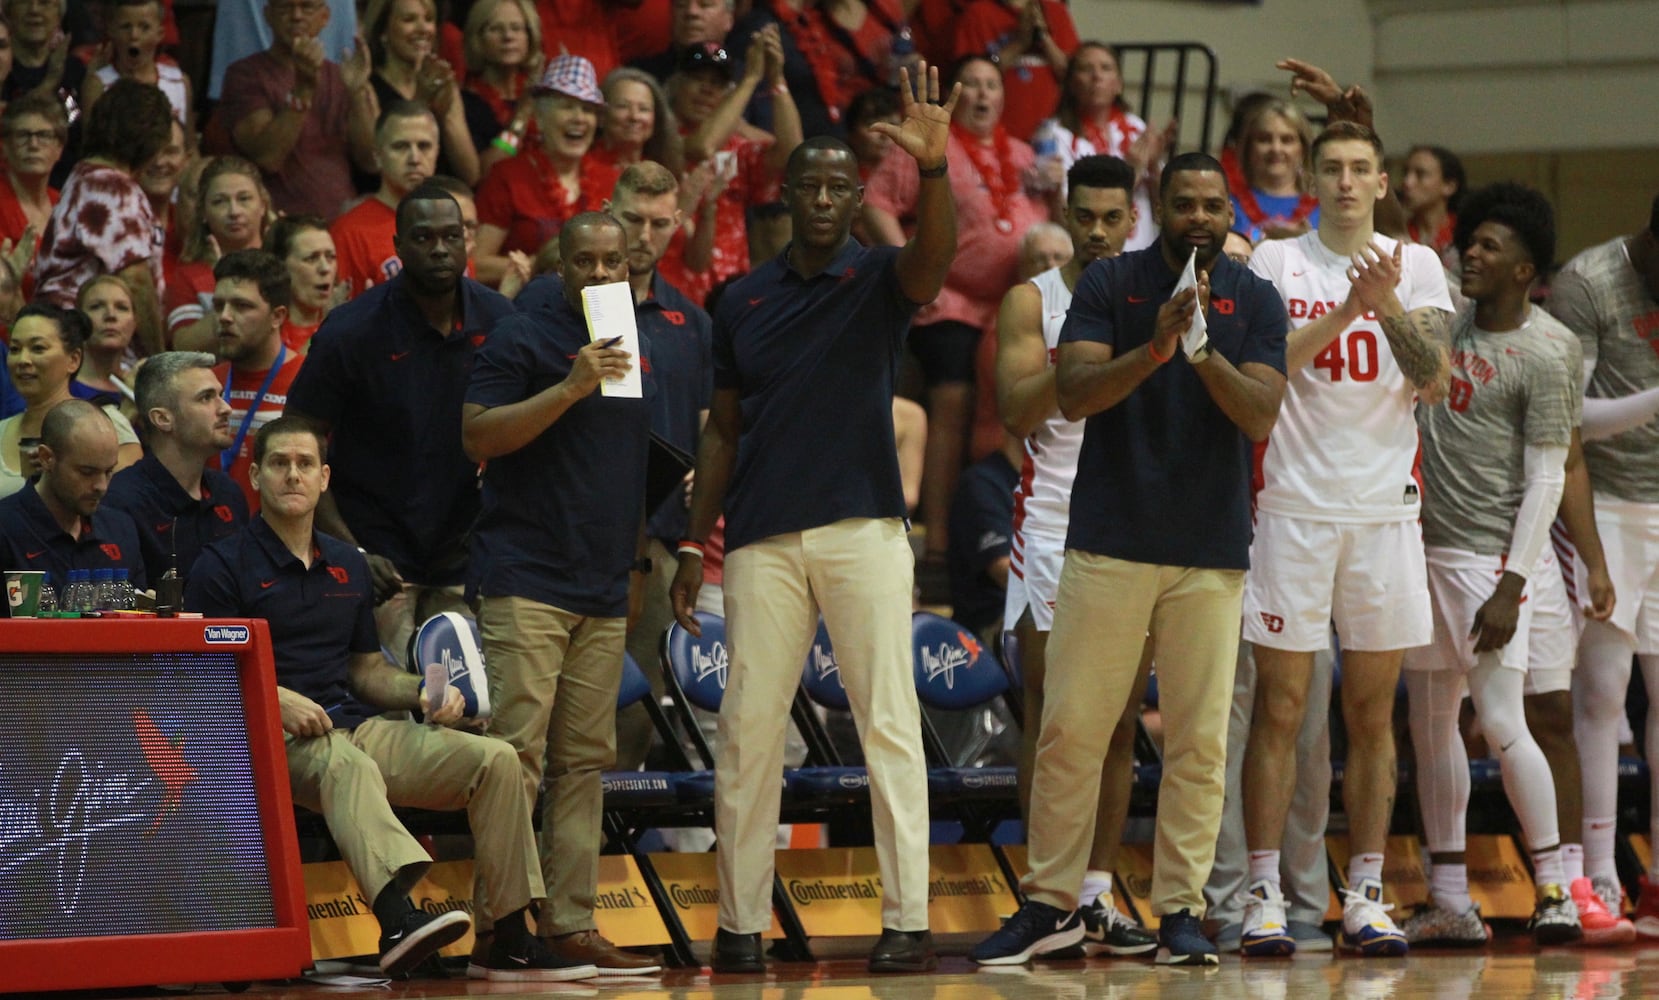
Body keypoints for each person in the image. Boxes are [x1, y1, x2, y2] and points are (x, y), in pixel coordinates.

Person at [669, 62, 960, 975]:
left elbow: (935, 261)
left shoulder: (878, 278)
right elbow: (721, 431)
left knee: (886, 722)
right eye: (813, 185)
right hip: (757, 537)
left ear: (853, 195)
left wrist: (937, 171)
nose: (828, 196)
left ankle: (907, 920)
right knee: (749, 732)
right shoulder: (741, 299)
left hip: (864, 528)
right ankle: (740, 926)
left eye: (842, 184)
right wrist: (690, 541)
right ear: (788, 195)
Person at [970, 151, 1286, 968]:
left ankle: (1179, 910)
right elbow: (1070, 394)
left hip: (1208, 554)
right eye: (1183, 203)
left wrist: (1199, 353)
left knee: (1196, 741)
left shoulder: (1252, 298)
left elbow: (1259, 418)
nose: (1199, 218)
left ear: (1227, 213)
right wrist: (1150, 350)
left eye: (1213, 205)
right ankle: (1051, 903)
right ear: (1160, 205)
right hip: (1107, 543)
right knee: (1071, 731)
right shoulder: (1109, 289)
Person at [184, 415, 599, 983]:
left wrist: (425, 690)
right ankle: (398, 919)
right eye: (279, 463)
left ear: (325, 478)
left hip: (350, 727)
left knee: (496, 759)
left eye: (306, 464)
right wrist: (276, 698)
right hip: (263, 740)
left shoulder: (348, 563)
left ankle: (507, 937)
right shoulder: (222, 564)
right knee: (345, 763)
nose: (293, 475)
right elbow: (205, 677)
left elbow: (366, 671)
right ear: (254, 475)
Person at [1234, 121, 1452, 957]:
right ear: (1312, 181)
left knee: (1370, 717)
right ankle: (1263, 894)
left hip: (1385, 514)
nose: (1347, 181)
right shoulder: (1273, 261)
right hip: (1291, 509)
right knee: (1280, 710)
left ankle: (1362, 893)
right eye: (1332, 168)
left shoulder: (1419, 264)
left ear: (1383, 182)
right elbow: (1264, 369)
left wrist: (1386, 300)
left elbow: (1431, 377)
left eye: (1362, 168)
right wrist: (1344, 311)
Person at [460, 211, 663, 976]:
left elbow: (631, 462)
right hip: (526, 576)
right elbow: (477, 435)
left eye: (613, 261)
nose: (603, 274)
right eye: (586, 262)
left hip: (602, 580)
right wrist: (571, 386)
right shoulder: (521, 333)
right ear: (561, 266)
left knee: (584, 761)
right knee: (518, 758)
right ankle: (499, 930)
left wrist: (636, 566)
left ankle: (571, 924)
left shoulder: (631, 339)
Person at [1401, 181, 1582, 948]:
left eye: (1486, 247)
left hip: (1488, 564)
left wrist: (1512, 584)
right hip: (1417, 551)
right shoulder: (1447, 317)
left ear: (1524, 269)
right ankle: (1450, 899)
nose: (1467, 254)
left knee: (1503, 723)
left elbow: (1548, 475)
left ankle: (1554, 890)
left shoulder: (1548, 347)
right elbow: (1398, 249)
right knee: (1431, 725)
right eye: (1465, 243)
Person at [991, 152, 1157, 958]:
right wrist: (1086, 366)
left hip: (1135, 520)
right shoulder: (1034, 299)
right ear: (1064, 213)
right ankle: (1041, 893)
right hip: (1054, 521)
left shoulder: (1157, 294)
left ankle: (1092, 892)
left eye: (1110, 218)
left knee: (1121, 722)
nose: (1095, 232)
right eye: (1082, 217)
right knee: (1056, 718)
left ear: (1133, 220)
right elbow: (1013, 412)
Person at [513, 161, 711, 773]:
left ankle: (611, 862)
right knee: (536, 718)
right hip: (556, 536)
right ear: (605, 214)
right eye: (631, 219)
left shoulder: (692, 322)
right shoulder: (546, 303)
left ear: (677, 225)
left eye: (658, 223)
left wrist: (701, 481)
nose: (645, 235)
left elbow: (708, 428)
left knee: (633, 717)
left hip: (654, 541)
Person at [285, 184, 516, 664]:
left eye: (451, 236)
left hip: (468, 557)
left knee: (471, 709)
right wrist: (350, 552)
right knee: (390, 709)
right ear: (397, 246)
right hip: (378, 554)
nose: (438, 248)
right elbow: (298, 442)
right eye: (423, 237)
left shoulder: (500, 320)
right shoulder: (352, 329)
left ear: (467, 242)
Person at [863, 53, 1048, 593]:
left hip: (1012, 302)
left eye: (994, 85)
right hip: (947, 303)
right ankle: (940, 544)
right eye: (974, 87)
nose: (985, 95)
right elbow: (876, 202)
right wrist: (912, 271)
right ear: (956, 98)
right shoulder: (928, 147)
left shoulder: (1022, 154)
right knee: (953, 395)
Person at [1554, 193, 1659, 935]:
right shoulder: (1588, 282)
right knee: (1602, 695)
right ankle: (1599, 877)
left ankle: (1656, 880)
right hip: (1605, 505)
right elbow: (1568, 414)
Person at [33, 80, 169, 358]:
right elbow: (136, 281)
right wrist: (159, 359)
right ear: (150, 140)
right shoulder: (111, 187)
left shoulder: (83, 176)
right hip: (85, 350)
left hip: (66, 342)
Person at [218, 0, 375, 219]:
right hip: (280, 224)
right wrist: (303, 90)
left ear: (325, 17)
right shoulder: (245, 75)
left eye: (307, 7)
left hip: (340, 221)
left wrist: (357, 94)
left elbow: (371, 160)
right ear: (268, 15)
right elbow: (268, 157)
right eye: (285, 7)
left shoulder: (342, 75)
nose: (296, 16)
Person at [103, 352, 247, 584]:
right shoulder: (121, 502)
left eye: (220, 395)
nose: (226, 408)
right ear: (162, 419)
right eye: (206, 398)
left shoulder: (228, 493)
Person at [473, 54, 617, 286]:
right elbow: (476, 264)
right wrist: (541, 266)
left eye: (588, 109)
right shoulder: (508, 177)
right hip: (528, 310)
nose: (579, 118)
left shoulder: (611, 180)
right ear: (539, 118)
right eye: (567, 107)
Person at [1029, 41, 1168, 252]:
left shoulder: (1136, 127)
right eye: (1086, 69)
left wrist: (1155, 166)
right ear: (1071, 83)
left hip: (1141, 256)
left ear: (1119, 83)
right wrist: (1132, 173)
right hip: (1087, 255)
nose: (1097, 76)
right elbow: (1067, 215)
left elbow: (1162, 211)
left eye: (1106, 68)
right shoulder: (1053, 135)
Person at [0, 398, 146, 587]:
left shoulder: (121, 529)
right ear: (46, 458)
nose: (101, 486)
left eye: (109, 471)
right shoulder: (5, 529)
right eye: (87, 472)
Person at [1, 305, 142, 499]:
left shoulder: (106, 423)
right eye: (15, 349)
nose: (22, 360)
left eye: (38, 348)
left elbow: (127, 502)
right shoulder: (1, 429)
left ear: (74, 360)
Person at [209, 250, 307, 511]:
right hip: (213, 542)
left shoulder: (308, 381)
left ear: (278, 316)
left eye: (242, 306)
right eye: (219, 305)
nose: (225, 317)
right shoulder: (208, 384)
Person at [361, 0, 480, 185]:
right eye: (409, 20)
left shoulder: (443, 85)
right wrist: (422, 103)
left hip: (441, 203)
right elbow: (373, 163)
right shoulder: (366, 87)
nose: (423, 28)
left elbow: (470, 173)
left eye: (429, 19)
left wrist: (445, 112)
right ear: (383, 31)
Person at [331, 102, 441, 295]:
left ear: (437, 152)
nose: (414, 158)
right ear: (378, 156)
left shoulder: (451, 221)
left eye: (424, 146)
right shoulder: (349, 233)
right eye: (400, 147)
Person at [169, 158, 276, 352]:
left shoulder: (286, 264)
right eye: (220, 201)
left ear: (263, 205)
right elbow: (183, 346)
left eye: (244, 199)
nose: (234, 211)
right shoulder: (188, 277)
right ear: (203, 213)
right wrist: (229, 290)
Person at [953, 0, 1078, 142]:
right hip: (997, 139)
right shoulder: (978, 13)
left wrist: (1043, 37)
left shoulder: (1056, 11)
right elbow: (970, 74)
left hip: (1053, 137)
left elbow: (1073, 77)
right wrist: (1020, 43)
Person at [460, 0, 543, 174]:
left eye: (516, 28)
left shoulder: (544, 96)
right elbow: (487, 171)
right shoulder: (465, 105)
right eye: (496, 29)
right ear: (478, 39)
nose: (508, 37)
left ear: (530, 36)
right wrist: (521, 117)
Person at [80, 0, 193, 129]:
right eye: (126, 26)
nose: (134, 35)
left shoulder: (179, 83)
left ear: (160, 34)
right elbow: (91, 146)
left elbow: (190, 147)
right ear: (111, 31)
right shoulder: (97, 86)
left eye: (144, 27)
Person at [1229, 99, 1317, 244]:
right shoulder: (1228, 204)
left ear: (1303, 149)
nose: (1276, 149)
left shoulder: (1326, 208)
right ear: (1249, 147)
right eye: (1264, 139)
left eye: (1287, 140)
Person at [0, 94, 66, 285]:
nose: (33, 145)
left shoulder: (65, 203)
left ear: (59, 149)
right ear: (5, 147)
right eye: (23, 135)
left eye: (44, 135)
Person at [266, 214, 341, 353]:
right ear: (280, 266)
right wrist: (331, 324)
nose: (325, 268)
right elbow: (290, 374)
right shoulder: (265, 329)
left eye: (331, 257)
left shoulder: (348, 325)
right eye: (311, 258)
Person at [628, 0, 733, 82]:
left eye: (705, 4)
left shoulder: (743, 80)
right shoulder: (638, 76)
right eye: (681, 4)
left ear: (729, 19)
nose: (691, 12)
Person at [75, 275, 141, 403]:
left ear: (135, 323)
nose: (111, 315)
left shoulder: (142, 385)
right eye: (96, 306)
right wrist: (131, 405)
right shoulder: (58, 387)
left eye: (121, 307)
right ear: (78, 321)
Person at [1400, 144, 1465, 267]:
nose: (1407, 182)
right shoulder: (1397, 234)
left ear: (1449, 186)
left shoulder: (1464, 233)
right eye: (1405, 173)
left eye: (1420, 174)